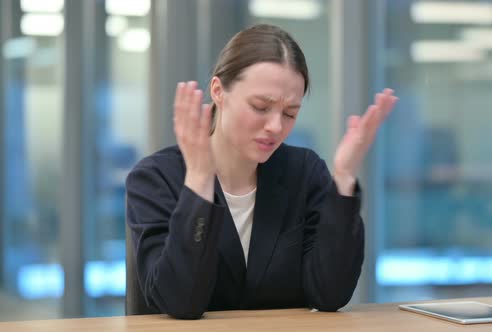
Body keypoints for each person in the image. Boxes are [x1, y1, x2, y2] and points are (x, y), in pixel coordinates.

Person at [125, 23, 398, 319]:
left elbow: (330, 294)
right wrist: (200, 179)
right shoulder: (155, 178)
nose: (276, 127)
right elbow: (181, 302)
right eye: (259, 107)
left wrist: (344, 176)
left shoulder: (304, 173)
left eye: (290, 113)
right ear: (218, 91)